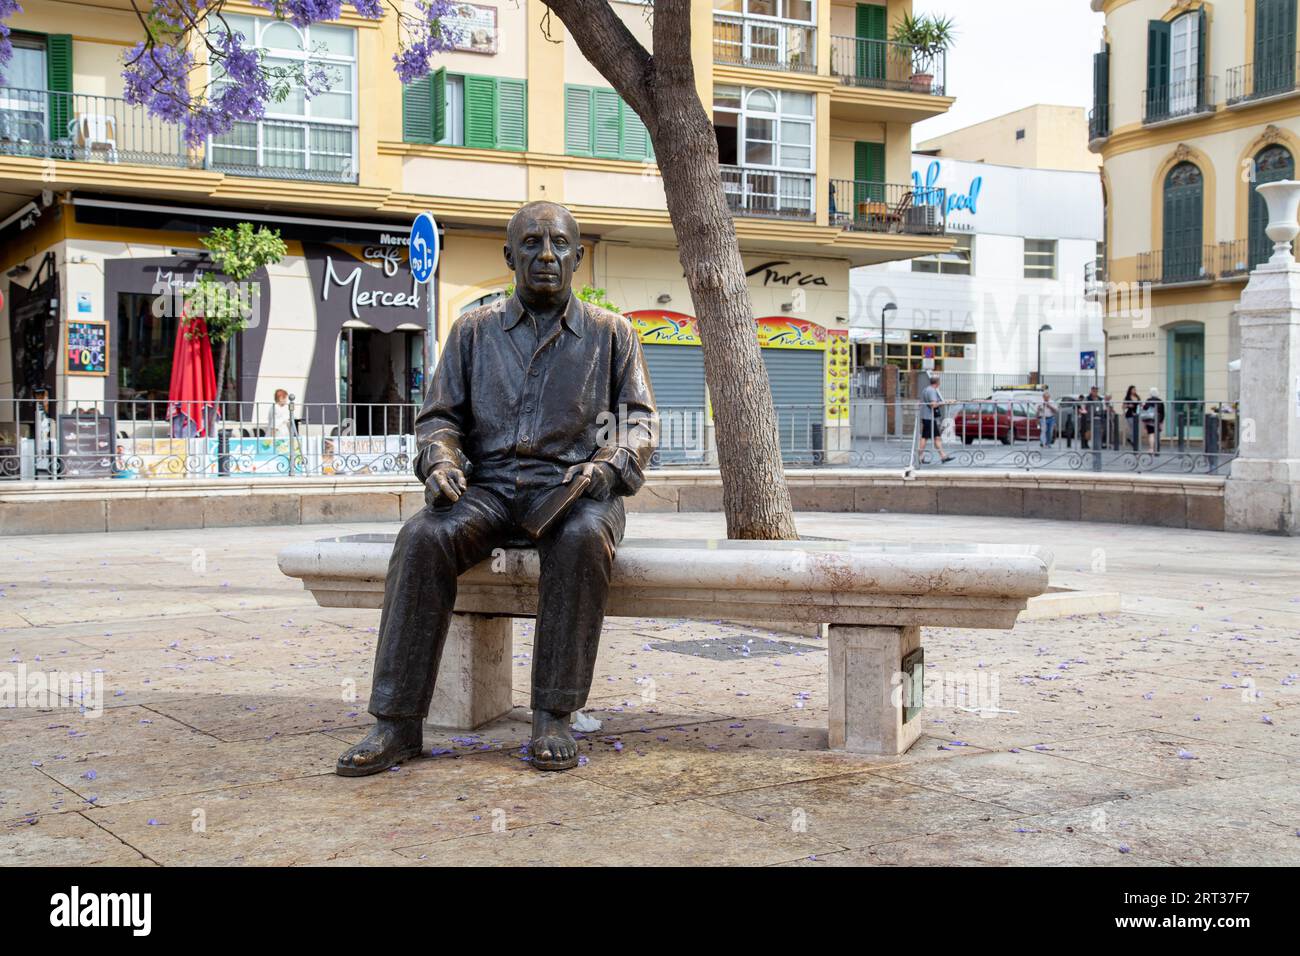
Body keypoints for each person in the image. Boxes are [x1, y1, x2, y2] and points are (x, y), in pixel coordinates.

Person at [335, 201, 657, 777]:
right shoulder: (472, 331)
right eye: (531, 244)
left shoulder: (613, 334)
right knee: (421, 538)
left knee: (584, 538)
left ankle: (553, 712)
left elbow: (638, 422)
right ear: (510, 256)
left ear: (579, 257)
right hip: (486, 490)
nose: (547, 256)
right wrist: (439, 463)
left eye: (559, 244)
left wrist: (608, 466)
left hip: (572, 491)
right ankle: (396, 721)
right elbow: (440, 419)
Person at [917, 374, 953, 464]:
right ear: (938, 382)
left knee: (937, 437)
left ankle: (943, 456)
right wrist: (945, 402)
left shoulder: (926, 389)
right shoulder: (932, 391)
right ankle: (919, 457)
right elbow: (933, 404)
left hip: (928, 417)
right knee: (924, 437)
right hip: (929, 417)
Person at [1140, 386, 1166, 453]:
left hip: (1149, 420)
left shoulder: (1148, 400)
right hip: (1157, 419)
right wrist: (1161, 422)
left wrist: (1144, 422)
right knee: (1157, 434)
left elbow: (1145, 409)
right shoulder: (1160, 401)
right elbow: (1163, 412)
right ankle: (1157, 448)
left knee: (1151, 434)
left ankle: (1151, 448)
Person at [1122, 385, 1141, 450]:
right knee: (1132, 427)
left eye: (1135, 389)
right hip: (1129, 414)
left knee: (1135, 428)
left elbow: (1140, 404)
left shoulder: (1137, 397)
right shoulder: (1127, 397)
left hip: (1136, 414)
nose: (1134, 391)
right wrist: (1128, 405)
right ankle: (1133, 440)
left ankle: (1132, 440)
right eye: (1133, 389)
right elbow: (1123, 406)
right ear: (1130, 390)